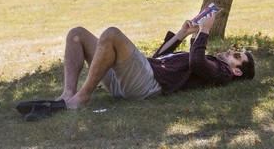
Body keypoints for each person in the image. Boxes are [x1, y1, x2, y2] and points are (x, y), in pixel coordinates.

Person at [57, 12, 255, 109]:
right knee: (77, 34)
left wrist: (204, 31)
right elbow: (159, 58)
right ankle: (68, 93)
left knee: (111, 34)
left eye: (237, 56)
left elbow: (197, 62)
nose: (231, 52)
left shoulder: (222, 72)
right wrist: (181, 35)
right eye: (234, 51)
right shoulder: (211, 63)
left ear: (237, 71)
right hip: (135, 77)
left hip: (146, 84)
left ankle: (83, 96)